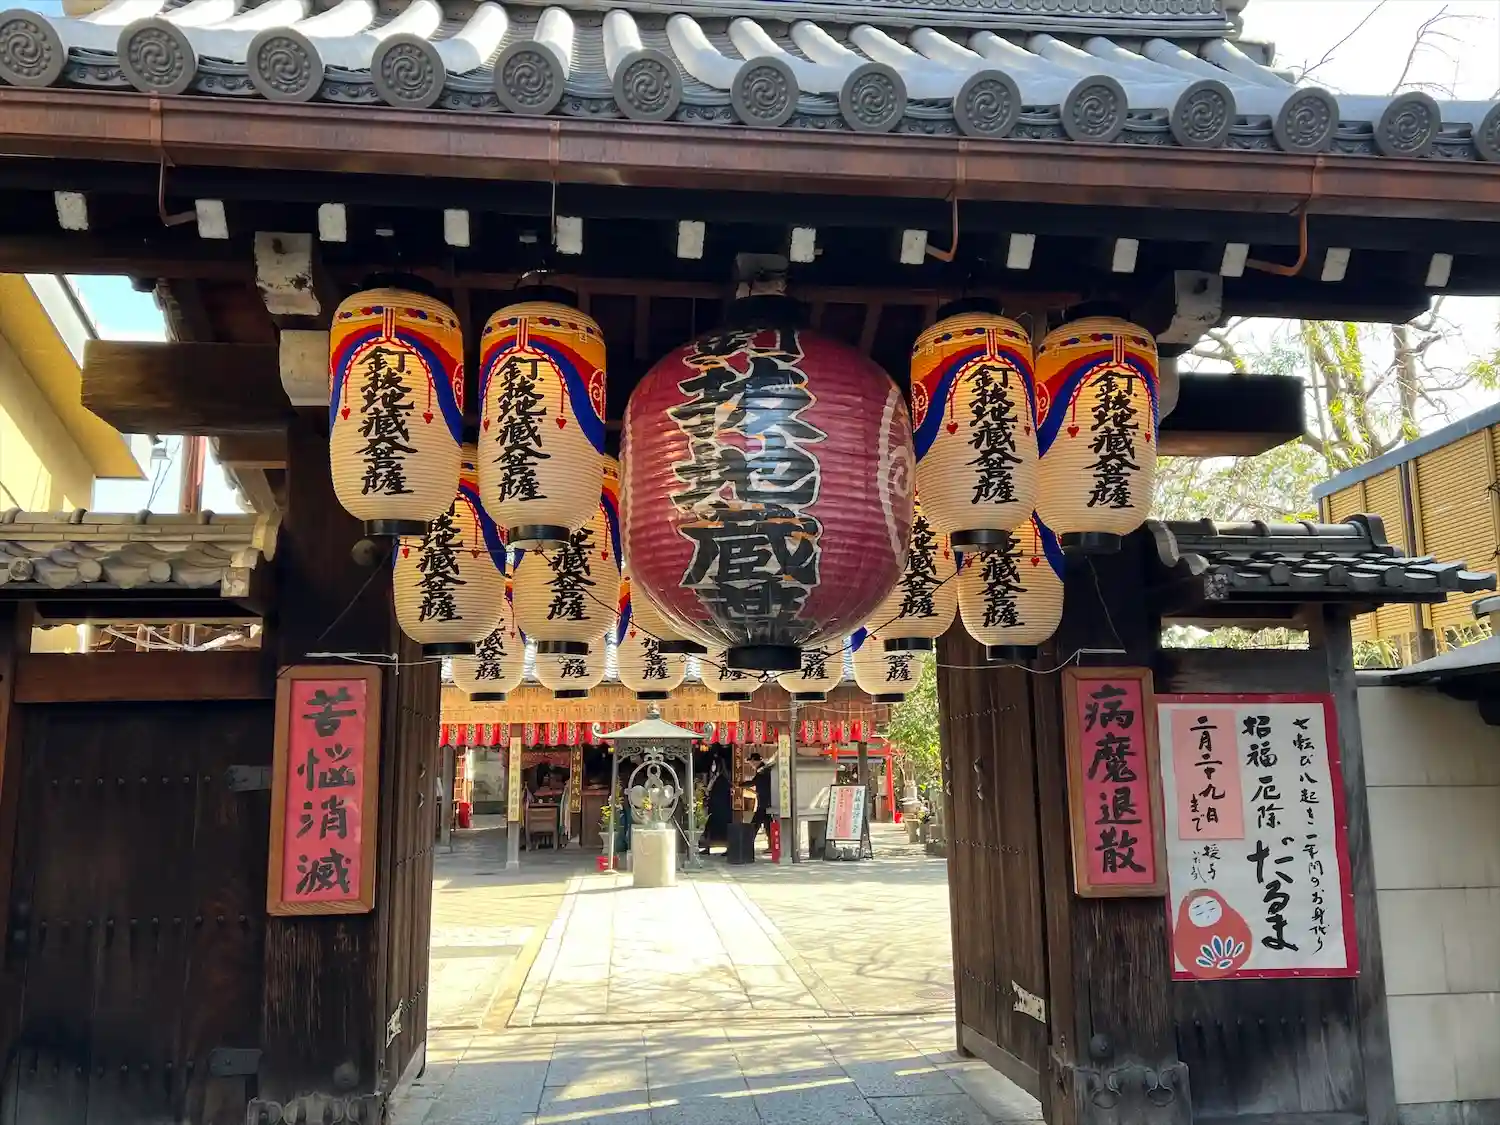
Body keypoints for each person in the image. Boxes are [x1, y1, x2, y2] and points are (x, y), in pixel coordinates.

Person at [700, 756, 732, 855]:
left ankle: (727, 848)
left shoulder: (722, 779)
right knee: (710, 828)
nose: (713, 766)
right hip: (715, 807)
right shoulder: (715, 778)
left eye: (714, 764)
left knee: (721, 829)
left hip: (721, 808)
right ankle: (708, 847)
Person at [747, 752, 775, 854]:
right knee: (767, 825)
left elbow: (753, 782)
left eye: (751, 761)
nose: (751, 764)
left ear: (756, 761)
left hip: (764, 802)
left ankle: (747, 845)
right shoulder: (763, 769)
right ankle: (771, 846)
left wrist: (739, 785)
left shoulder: (762, 770)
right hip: (766, 801)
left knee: (755, 824)